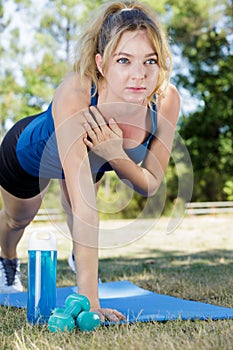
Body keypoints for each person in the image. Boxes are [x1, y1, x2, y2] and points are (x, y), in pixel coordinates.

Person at [0, 0, 180, 322]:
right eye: (123, 60)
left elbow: (151, 184)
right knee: (18, 220)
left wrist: (115, 155)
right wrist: (91, 304)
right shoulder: (77, 92)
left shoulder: (165, 100)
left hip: (92, 161)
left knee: (78, 207)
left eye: (149, 61)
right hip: (27, 154)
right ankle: (7, 260)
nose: (139, 75)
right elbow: (87, 207)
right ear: (101, 63)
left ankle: (78, 258)